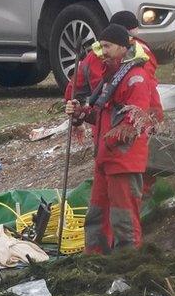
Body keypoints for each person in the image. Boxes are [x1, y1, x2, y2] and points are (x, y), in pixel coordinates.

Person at [66, 24, 156, 254]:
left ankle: (127, 267)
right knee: (96, 216)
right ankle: (95, 262)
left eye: (107, 46)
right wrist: (81, 113)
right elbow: (104, 116)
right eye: (101, 46)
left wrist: (108, 140)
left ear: (122, 46)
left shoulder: (136, 78)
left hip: (123, 161)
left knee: (123, 219)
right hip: (106, 160)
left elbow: (136, 121)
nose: (102, 51)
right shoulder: (113, 76)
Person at [64, 11, 164, 197]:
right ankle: (144, 210)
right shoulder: (141, 55)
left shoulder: (96, 56)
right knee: (134, 187)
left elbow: (73, 90)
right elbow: (150, 97)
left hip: (109, 130)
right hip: (122, 130)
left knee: (116, 196)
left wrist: (78, 119)